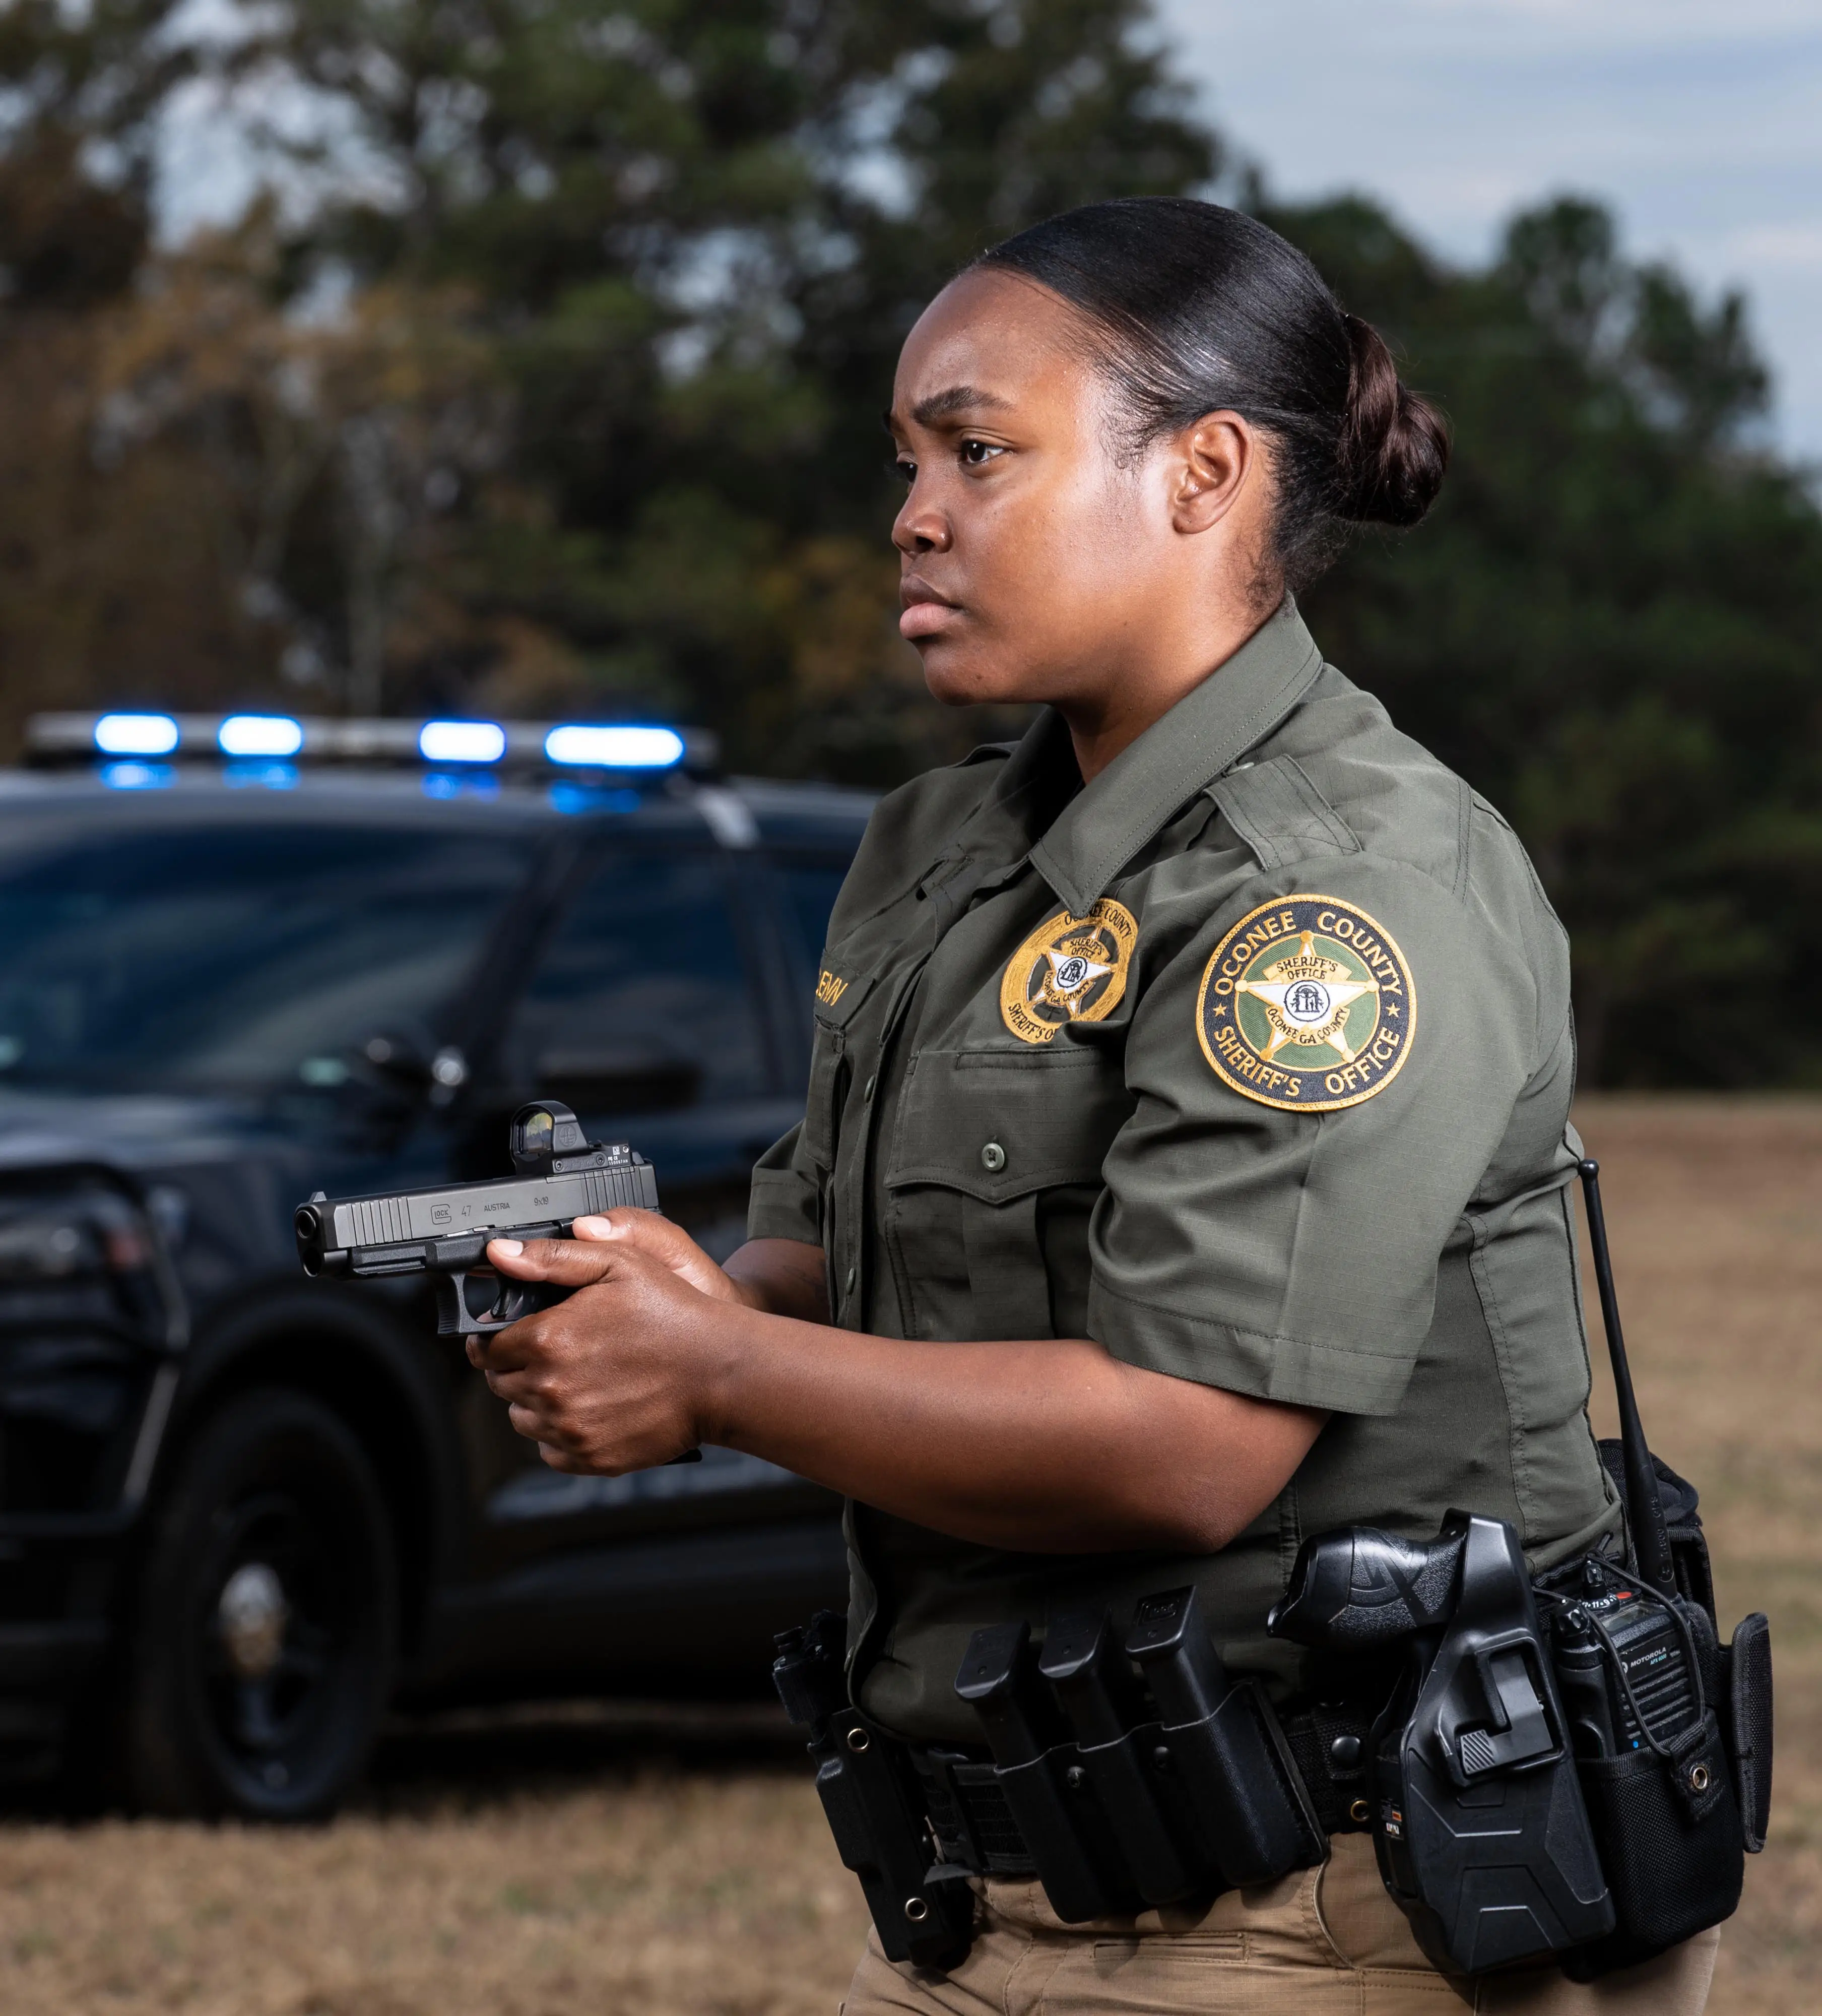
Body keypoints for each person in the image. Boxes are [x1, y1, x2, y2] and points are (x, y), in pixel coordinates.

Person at [473, 198, 1720, 2013]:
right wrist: (653, 1306)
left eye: (979, 451)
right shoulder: (936, 849)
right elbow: (836, 1265)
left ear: (1205, 473)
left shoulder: (1337, 899)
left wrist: (716, 1378)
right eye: (904, 459)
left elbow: (1185, 1446)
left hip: (1334, 1913)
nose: (912, 512)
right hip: (1005, 1891)